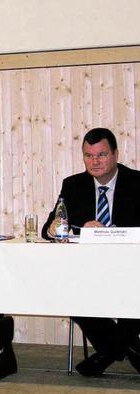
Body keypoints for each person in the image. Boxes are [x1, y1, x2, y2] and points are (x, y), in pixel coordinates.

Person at [42, 127, 140, 376]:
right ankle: (128, 348)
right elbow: (48, 229)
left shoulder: (137, 183)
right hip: (89, 270)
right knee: (68, 291)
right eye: (88, 155)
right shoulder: (73, 185)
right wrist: (71, 228)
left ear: (116, 154)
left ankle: (109, 352)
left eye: (101, 155)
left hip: (131, 269)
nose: (94, 162)